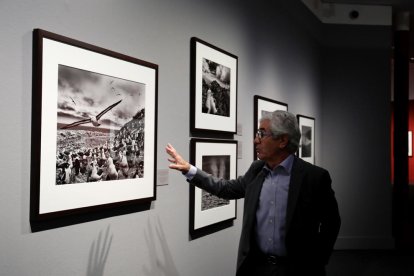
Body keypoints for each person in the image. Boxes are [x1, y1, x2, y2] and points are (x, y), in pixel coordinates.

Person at [166, 110, 341, 276]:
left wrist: (318, 261)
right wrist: (190, 170)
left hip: (297, 270)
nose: (255, 140)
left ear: (282, 141)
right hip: (256, 268)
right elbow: (226, 189)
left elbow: (332, 223)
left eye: (262, 134)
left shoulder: (315, 177)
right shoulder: (257, 170)